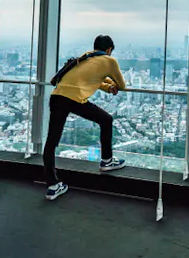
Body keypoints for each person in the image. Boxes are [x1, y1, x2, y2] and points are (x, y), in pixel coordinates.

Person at [43, 34, 128, 200]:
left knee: (51, 142)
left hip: (57, 96)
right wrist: (113, 86)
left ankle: (53, 185)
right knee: (106, 120)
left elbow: (90, 79)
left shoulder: (85, 57)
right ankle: (107, 161)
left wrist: (106, 86)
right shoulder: (110, 61)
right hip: (74, 99)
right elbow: (122, 85)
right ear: (109, 49)